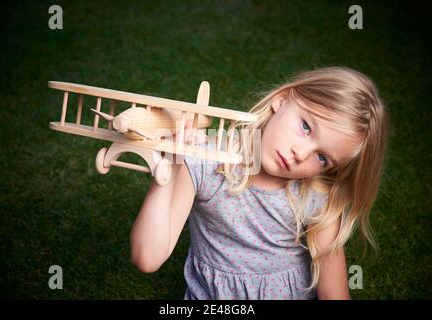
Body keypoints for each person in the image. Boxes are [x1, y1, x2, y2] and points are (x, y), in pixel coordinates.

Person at [129, 66, 388, 300]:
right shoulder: (206, 163)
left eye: (322, 157)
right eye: (306, 127)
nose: (300, 152)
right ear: (282, 99)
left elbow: (334, 294)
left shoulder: (316, 199)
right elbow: (147, 257)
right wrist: (168, 164)